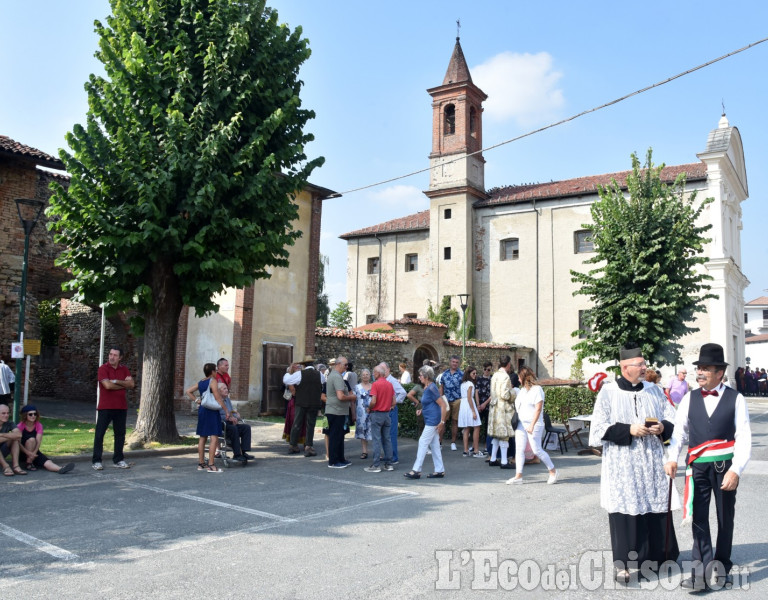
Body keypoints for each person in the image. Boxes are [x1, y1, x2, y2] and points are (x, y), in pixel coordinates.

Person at [665, 343, 752, 590]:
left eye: (705, 368)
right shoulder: (689, 398)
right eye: (699, 368)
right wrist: (671, 457)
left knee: (725, 518)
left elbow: (744, 436)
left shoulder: (736, 398)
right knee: (699, 518)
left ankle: (722, 566)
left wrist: (736, 470)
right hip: (698, 468)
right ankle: (700, 574)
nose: (699, 372)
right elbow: (678, 433)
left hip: (725, 465)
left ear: (719, 373)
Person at [590, 343, 679, 584]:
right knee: (626, 509)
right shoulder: (608, 392)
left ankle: (660, 557)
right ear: (624, 366)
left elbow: (672, 418)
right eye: (639, 364)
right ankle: (625, 566)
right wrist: (629, 429)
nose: (644, 368)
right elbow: (597, 430)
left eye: (644, 364)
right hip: (623, 465)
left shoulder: (654, 390)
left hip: (651, 462)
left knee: (655, 507)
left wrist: (663, 427)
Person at [507, 367, 557, 485]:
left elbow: (538, 409)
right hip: (521, 423)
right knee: (519, 449)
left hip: (534, 424)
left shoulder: (537, 390)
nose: (518, 380)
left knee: (537, 450)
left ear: (524, 377)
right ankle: (518, 476)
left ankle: (553, 471)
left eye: (519, 377)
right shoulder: (522, 391)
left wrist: (532, 425)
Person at [93, 346, 135, 470]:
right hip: (105, 407)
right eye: (110, 354)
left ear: (120, 358)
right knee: (100, 434)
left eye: (115, 355)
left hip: (121, 407)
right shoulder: (103, 369)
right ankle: (96, 461)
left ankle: (118, 459)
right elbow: (107, 386)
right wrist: (123, 384)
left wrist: (116, 380)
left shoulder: (124, 369)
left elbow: (131, 384)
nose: (112, 357)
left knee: (120, 434)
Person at [404, 366, 448, 479]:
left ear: (427, 377)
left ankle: (416, 470)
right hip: (431, 419)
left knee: (423, 442)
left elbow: (443, 405)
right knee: (434, 446)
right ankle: (439, 470)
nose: (419, 377)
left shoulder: (432, 388)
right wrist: (422, 409)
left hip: (433, 421)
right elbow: (430, 403)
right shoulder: (428, 387)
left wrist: (442, 422)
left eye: (421, 375)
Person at [189, 363, 229, 472]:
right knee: (214, 436)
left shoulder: (201, 382)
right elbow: (218, 398)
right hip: (211, 411)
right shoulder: (213, 381)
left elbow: (188, 391)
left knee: (203, 437)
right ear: (212, 372)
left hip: (203, 410)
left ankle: (201, 463)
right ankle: (211, 465)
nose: (216, 372)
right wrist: (226, 410)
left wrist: (197, 400)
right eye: (215, 370)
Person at [283, 355, 323, 457]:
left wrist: (288, 372)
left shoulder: (300, 374)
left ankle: (293, 445)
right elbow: (323, 382)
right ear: (312, 364)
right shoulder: (319, 375)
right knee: (310, 424)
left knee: (297, 423)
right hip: (314, 403)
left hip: (301, 402)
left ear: (304, 365)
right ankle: (309, 446)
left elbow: (287, 381)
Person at [16, 405, 74, 474]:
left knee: (47, 461)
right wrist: (29, 454)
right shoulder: (20, 426)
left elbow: (38, 441)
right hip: (23, 452)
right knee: (31, 440)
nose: (33, 416)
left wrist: (33, 454)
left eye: (35, 414)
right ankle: (29, 463)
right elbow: (18, 443)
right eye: (30, 414)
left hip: (34, 451)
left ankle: (60, 469)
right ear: (25, 415)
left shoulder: (38, 425)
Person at [325, 356, 357, 468]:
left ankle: (340, 458)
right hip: (336, 411)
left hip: (338, 411)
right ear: (338, 364)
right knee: (335, 436)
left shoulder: (335, 375)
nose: (347, 367)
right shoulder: (337, 377)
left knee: (339, 436)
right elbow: (341, 396)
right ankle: (333, 461)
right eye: (345, 365)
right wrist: (352, 397)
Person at [487, 355, 517, 470]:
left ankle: (493, 458)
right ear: (508, 364)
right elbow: (505, 394)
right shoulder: (505, 377)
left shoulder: (495, 375)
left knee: (496, 435)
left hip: (494, 407)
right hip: (502, 408)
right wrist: (513, 393)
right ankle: (504, 461)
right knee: (504, 435)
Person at [365, 365, 395, 473]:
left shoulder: (375, 384)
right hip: (387, 414)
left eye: (374, 372)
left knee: (376, 439)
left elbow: (373, 401)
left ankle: (376, 465)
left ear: (378, 373)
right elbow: (394, 402)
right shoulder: (390, 384)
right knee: (387, 439)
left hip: (377, 414)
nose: (373, 374)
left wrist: (369, 408)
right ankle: (389, 464)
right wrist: (388, 406)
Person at [217, 381, 253, 463]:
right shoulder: (216, 401)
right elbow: (217, 416)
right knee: (234, 429)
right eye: (224, 389)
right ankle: (237, 455)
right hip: (221, 424)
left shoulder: (227, 400)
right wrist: (228, 418)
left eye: (227, 388)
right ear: (218, 391)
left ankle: (243, 452)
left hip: (230, 423)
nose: (227, 390)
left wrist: (236, 416)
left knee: (246, 427)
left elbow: (231, 412)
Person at [378, 362, 406, 465]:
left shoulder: (392, 381)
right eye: (380, 369)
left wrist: (393, 403)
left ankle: (394, 457)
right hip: (384, 410)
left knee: (391, 434)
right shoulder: (383, 380)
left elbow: (403, 392)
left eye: (383, 369)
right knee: (384, 434)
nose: (382, 371)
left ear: (388, 370)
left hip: (391, 410)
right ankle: (388, 455)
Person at [439, 356, 464, 451]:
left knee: (455, 421)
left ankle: (453, 442)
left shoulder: (462, 374)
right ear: (450, 362)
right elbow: (441, 387)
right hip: (446, 400)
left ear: (459, 363)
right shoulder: (444, 374)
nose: (455, 364)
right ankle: (439, 442)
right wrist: (441, 399)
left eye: (456, 362)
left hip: (457, 400)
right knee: (443, 421)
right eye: (453, 362)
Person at [458, 366, 482, 457]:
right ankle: (476, 450)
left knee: (466, 428)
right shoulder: (470, 384)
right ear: (469, 374)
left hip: (463, 406)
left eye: (476, 373)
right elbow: (469, 398)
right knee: (476, 426)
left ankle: (466, 450)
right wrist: (473, 411)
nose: (475, 375)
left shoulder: (463, 384)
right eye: (473, 373)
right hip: (468, 405)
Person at [1, 403, 27, 476]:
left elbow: (19, 435)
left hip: (3, 451)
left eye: (7, 413)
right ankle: (6, 467)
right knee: (12, 437)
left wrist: (2, 435)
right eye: (3, 413)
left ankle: (16, 466)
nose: (6, 415)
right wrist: (9, 436)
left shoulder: (9, 423)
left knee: (15, 439)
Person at [282, 363, 304, 445]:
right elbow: (293, 392)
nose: (299, 368)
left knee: (302, 421)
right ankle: (293, 440)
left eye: (299, 367)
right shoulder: (290, 377)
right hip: (295, 401)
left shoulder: (302, 375)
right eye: (297, 367)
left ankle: (301, 439)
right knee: (294, 420)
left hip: (301, 401)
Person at [354, 368, 373, 459]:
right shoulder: (357, 387)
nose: (365, 376)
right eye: (363, 374)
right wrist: (353, 413)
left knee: (373, 431)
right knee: (362, 431)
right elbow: (353, 401)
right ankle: (364, 451)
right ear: (360, 376)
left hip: (372, 412)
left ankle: (376, 451)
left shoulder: (374, 386)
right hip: (361, 413)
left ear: (370, 376)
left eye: (367, 374)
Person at [476, 362, 493, 457]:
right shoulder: (479, 379)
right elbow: (476, 392)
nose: (486, 371)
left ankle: (487, 447)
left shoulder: (492, 379)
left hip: (488, 406)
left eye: (489, 369)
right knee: (477, 427)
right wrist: (478, 405)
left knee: (487, 427)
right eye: (485, 369)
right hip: (480, 406)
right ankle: (476, 447)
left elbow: (493, 394)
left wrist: (484, 404)